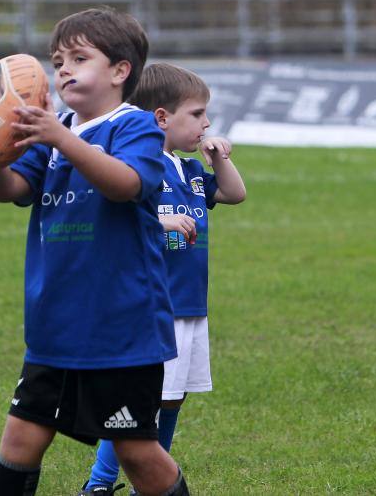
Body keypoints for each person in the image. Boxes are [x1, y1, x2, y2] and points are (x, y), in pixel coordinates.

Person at [0, 7, 189, 496]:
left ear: (120, 70)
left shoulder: (138, 127)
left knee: (135, 450)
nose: (63, 69)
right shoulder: (53, 133)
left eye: (79, 58)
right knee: (21, 435)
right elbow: (7, 189)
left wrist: (61, 136)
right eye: (57, 59)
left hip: (121, 325)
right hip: (55, 322)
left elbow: (127, 185)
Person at [81, 63, 246, 494]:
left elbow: (233, 194)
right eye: (196, 114)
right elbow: (119, 215)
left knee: (173, 398)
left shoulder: (189, 171)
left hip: (191, 304)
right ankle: (99, 484)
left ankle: (150, 483)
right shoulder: (142, 167)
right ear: (160, 118)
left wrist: (220, 159)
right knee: (139, 404)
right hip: (156, 305)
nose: (206, 123)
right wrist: (163, 220)